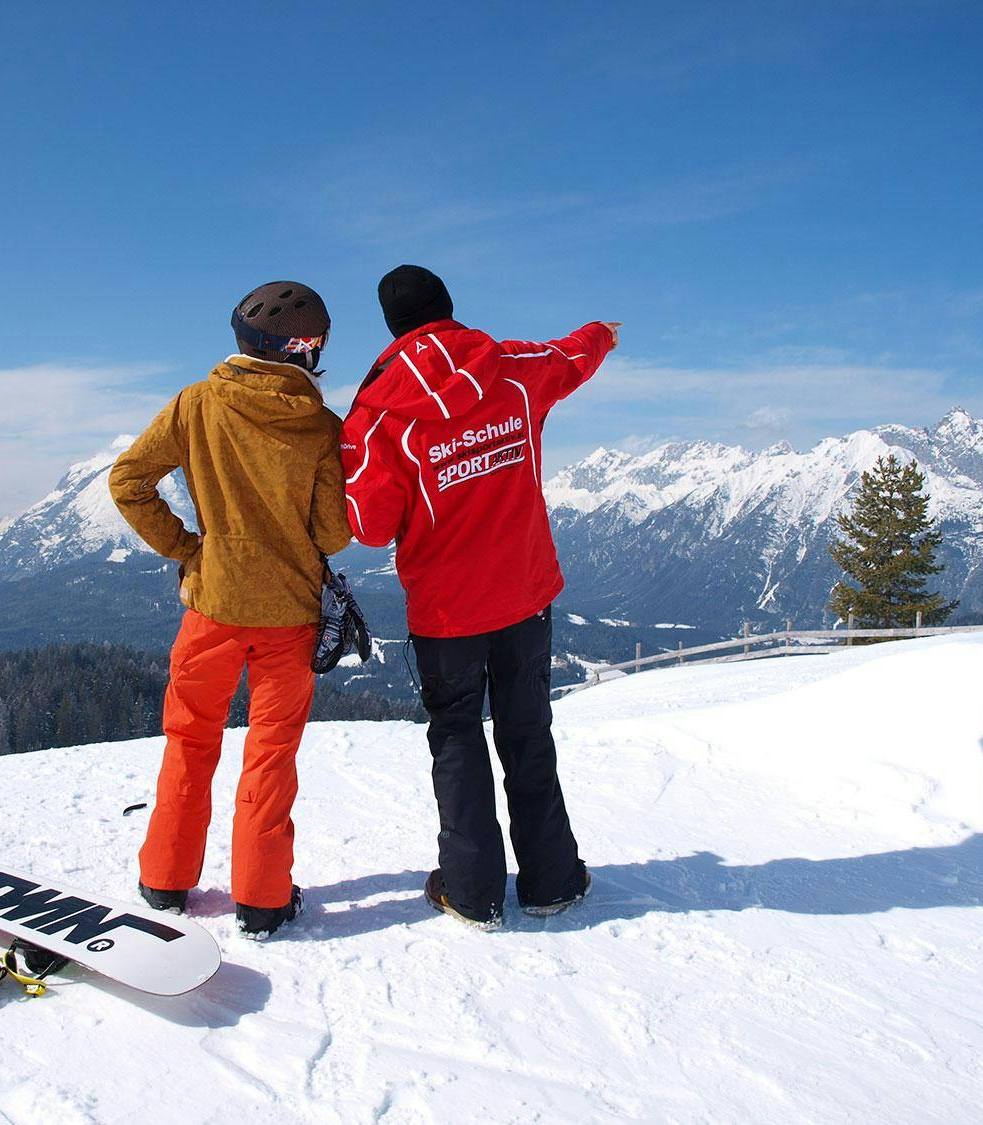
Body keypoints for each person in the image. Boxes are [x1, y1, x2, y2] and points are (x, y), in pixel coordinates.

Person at [341, 264, 620, 929]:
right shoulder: (511, 370)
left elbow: (370, 524)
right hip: (524, 595)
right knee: (528, 731)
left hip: (446, 614)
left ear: (392, 327)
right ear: (449, 307)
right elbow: (570, 356)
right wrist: (603, 334)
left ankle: (473, 892)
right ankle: (551, 879)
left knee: (458, 740)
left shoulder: (380, 415)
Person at [109, 281, 351, 938]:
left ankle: (164, 881)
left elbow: (128, 482)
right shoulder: (324, 429)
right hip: (290, 616)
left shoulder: (196, 404)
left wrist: (188, 549)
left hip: (212, 606)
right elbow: (333, 534)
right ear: (305, 348)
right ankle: (263, 899)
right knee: (270, 755)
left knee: (190, 741)